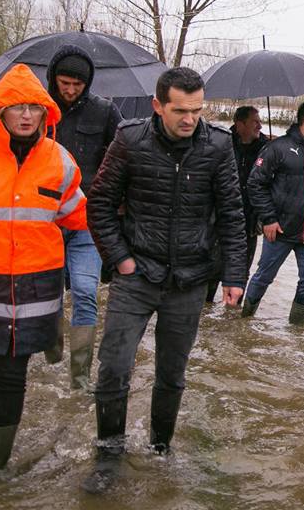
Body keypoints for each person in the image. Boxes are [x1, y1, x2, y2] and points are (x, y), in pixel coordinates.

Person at [83, 67, 246, 493]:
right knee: (114, 368)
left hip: (190, 280)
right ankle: (108, 455)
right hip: (136, 274)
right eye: (180, 110)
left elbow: (232, 213)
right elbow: (99, 203)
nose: (189, 119)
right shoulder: (130, 139)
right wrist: (119, 260)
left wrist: (234, 275)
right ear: (158, 106)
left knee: (172, 374)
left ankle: (160, 449)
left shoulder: (217, 146)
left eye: (197, 110)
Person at [0, 65, 87, 473]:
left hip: (31, 287)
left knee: (11, 373)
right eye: (17, 107)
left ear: (46, 114)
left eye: (35, 108)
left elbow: (79, 214)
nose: (26, 115)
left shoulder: (59, 160)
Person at [43, 45, 123, 389]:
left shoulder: (105, 112)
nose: (70, 90)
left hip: (86, 219)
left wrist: (117, 198)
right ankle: (50, 357)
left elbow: (123, 154)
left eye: (78, 84)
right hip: (43, 220)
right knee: (49, 295)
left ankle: (79, 378)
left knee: (86, 290)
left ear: (87, 83)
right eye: (64, 83)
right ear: (53, 79)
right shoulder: (38, 111)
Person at [240, 100, 304, 324]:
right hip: (280, 230)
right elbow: (255, 184)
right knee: (264, 277)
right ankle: (244, 320)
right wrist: (268, 218)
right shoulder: (278, 148)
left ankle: (297, 331)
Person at [205, 105, 267, 303]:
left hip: (249, 220)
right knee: (211, 268)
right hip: (220, 217)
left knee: (241, 272)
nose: (260, 125)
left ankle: (231, 316)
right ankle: (204, 311)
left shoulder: (266, 149)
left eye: (260, 121)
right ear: (239, 124)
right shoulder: (222, 144)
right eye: (254, 122)